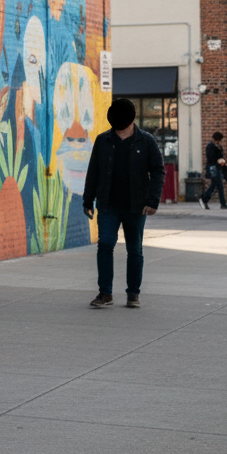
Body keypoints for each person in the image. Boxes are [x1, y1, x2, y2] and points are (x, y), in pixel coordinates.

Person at [81, 98, 165, 309]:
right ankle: (105, 293)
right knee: (105, 244)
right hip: (108, 204)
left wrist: (153, 201)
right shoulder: (103, 140)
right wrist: (88, 200)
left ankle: (133, 293)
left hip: (136, 206)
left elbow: (158, 171)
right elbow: (93, 171)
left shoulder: (146, 141)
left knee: (134, 249)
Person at [201, 131, 227, 210]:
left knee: (216, 185)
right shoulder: (210, 147)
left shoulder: (219, 147)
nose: (220, 142)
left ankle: (206, 199)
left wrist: (222, 162)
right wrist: (219, 161)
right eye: (219, 140)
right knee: (218, 185)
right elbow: (211, 158)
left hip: (218, 168)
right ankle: (205, 199)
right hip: (213, 168)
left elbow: (221, 157)